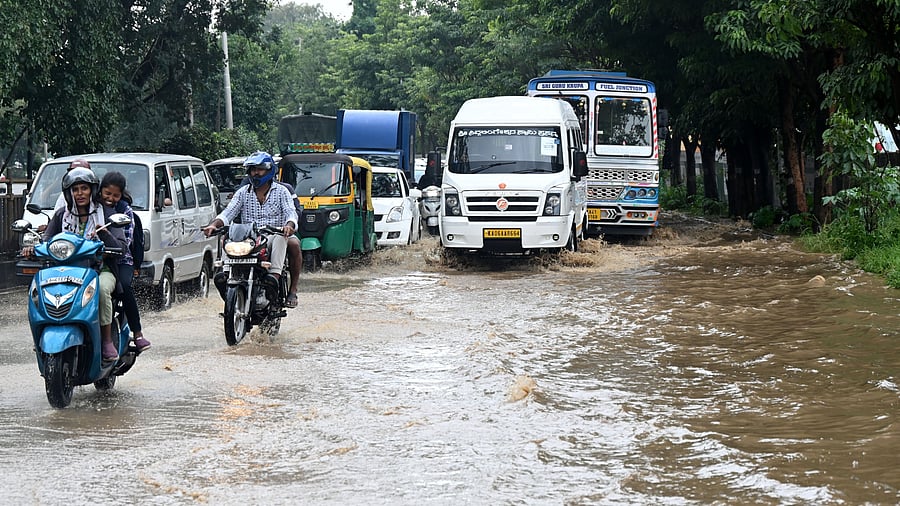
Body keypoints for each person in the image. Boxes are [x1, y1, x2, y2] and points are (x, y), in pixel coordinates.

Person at [23, 164, 128, 360]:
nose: (80, 193)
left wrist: (105, 234)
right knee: (38, 291)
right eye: (75, 189)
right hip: (65, 271)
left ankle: (106, 340)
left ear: (92, 190)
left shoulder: (105, 213)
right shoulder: (62, 214)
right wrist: (32, 248)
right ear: (69, 192)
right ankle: (41, 338)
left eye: (84, 188)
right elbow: (47, 240)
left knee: (103, 290)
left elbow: (121, 246)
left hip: (99, 270)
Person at [202, 151, 298, 307]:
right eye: (252, 169)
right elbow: (228, 213)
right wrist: (214, 225)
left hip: (273, 235)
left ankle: (274, 276)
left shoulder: (282, 191)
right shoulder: (242, 192)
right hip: (249, 237)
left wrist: (289, 225)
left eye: (259, 169)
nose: (255, 173)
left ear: (269, 170)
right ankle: (226, 275)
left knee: (283, 238)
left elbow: (290, 212)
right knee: (226, 237)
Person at [98, 171, 151, 351]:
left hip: (121, 259)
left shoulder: (124, 210)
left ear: (121, 195)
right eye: (107, 193)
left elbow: (125, 244)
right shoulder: (92, 207)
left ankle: (137, 333)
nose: (110, 198)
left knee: (124, 287)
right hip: (93, 259)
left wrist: (105, 237)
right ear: (100, 191)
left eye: (115, 195)